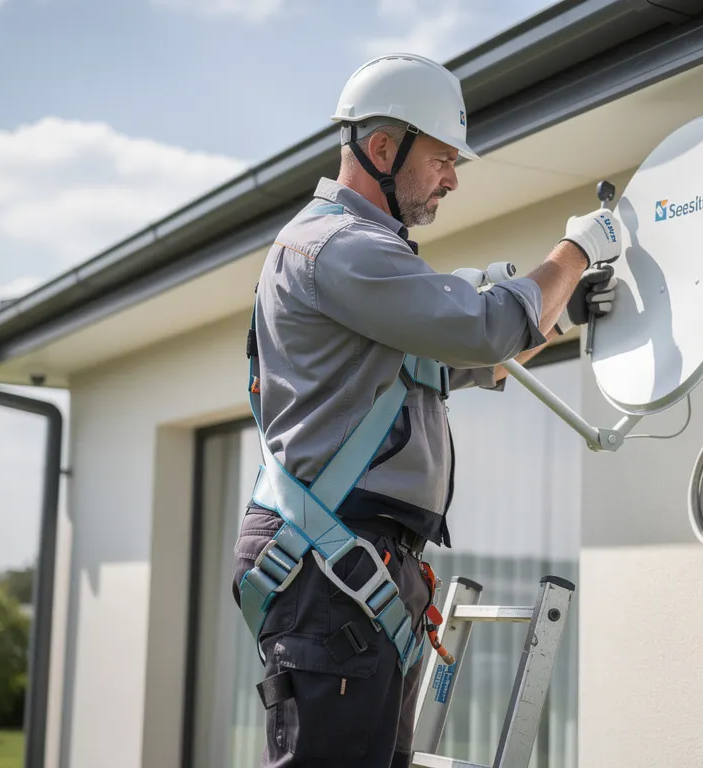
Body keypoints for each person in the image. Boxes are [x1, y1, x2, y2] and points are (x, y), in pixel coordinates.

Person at [230, 52, 620, 767]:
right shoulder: (338, 248)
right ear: (383, 150)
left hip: (353, 566)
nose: (451, 178)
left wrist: (559, 311)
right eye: (442, 158)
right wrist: (574, 251)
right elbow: (484, 330)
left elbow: (460, 361)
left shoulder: (362, 258)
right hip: (332, 563)